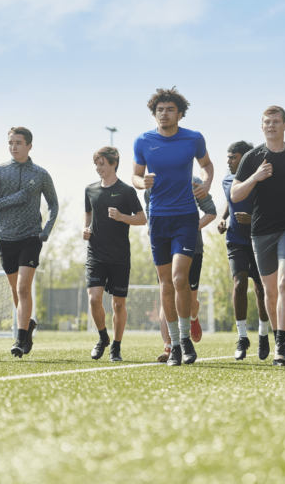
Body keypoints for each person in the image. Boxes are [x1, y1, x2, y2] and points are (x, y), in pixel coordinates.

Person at [132, 87, 214, 366]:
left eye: (169, 110)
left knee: (180, 278)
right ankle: (175, 346)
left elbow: (207, 165)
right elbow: (134, 174)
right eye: (159, 110)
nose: (164, 114)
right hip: (158, 220)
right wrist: (140, 183)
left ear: (179, 113)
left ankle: (185, 339)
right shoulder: (143, 141)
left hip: (186, 217)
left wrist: (206, 183)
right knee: (165, 284)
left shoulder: (193, 138)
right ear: (154, 114)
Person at [231, 106, 285, 366]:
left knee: (284, 282)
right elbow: (235, 195)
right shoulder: (252, 157)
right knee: (269, 290)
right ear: (262, 126)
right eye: (266, 122)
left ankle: (280, 341)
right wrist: (255, 177)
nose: (271, 125)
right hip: (261, 230)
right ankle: (277, 336)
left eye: (276, 121)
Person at [0, 126, 59, 359]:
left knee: (23, 288)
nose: (14, 147)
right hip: (6, 238)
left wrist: (45, 230)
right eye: (10, 143)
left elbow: (54, 205)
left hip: (31, 237)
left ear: (29, 146)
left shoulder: (41, 174)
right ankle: (28, 329)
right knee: (16, 293)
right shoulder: (0, 171)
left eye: (18, 143)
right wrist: (15, 198)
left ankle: (19, 338)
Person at [82, 147, 146, 362]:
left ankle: (116, 347)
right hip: (95, 254)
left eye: (101, 163)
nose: (98, 168)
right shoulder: (90, 189)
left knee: (118, 305)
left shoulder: (127, 191)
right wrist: (86, 228)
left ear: (113, 164)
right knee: (94, 299)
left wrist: (121, 217)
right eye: (96, 164)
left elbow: (142, 218)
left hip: (119, 256)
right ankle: (103, 337)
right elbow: (88, 212)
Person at [150, 176, 216, 362]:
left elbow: (210, 211)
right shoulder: (153, 183)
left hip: (192, 247)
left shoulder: (193, 181)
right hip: (164, 244)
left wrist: (189, 230)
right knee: (167, 291)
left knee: (188, 299)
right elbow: (151, 212)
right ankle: (170, 346)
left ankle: (192, 317)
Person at [218, 140, 270, 361]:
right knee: (239, 283)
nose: (228, 161)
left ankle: (264, 334)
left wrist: (252, 219)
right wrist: (223, 219)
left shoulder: (262, 180)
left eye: (233, 157)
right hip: (236, 240)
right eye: (228, 157)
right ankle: (242, 338)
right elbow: (231, 201)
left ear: (244, 158)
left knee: (261, 288)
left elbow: (271, 208)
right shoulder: (227, 180)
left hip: (260, 240)